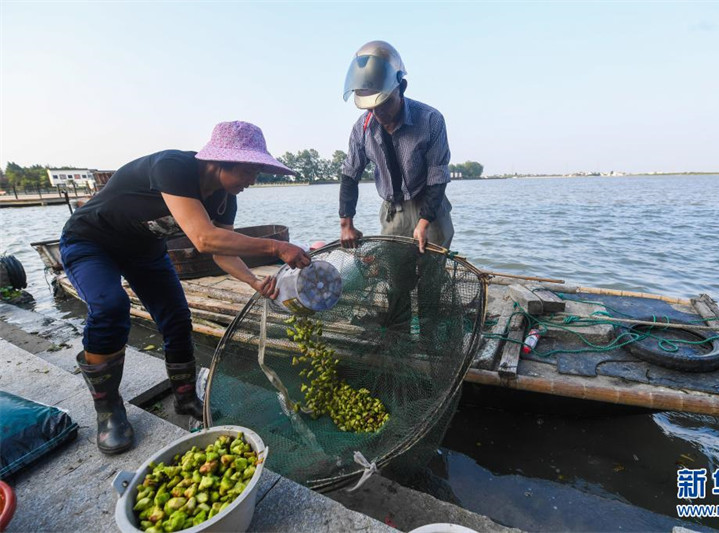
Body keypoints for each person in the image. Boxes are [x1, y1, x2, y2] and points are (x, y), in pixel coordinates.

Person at [59, 121, 311, 454]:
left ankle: (185, 398)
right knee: (109, 307)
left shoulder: (224, 199)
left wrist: (252, 281)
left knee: (177, 317)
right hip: (91, 241)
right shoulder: (173, 166)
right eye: (249, 171)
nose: (253, 180)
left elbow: (222, 250)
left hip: (143, 252)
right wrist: (277, 248)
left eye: (258, 173)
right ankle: (109, 410)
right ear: (220, 161)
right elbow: (204, 239)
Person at [340, 40, 455, 331]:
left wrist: (425, 221)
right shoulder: (362, 127)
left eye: (384, 103)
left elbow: (437, 177)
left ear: (401, 88)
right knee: (397, 276)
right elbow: (350, 175)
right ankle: (400, 333)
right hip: (393, 207)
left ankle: (430, 332)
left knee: (431, 273)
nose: (378, 113)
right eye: (371, 107)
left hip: (430, 202)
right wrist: (346, 223)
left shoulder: (430, 120)